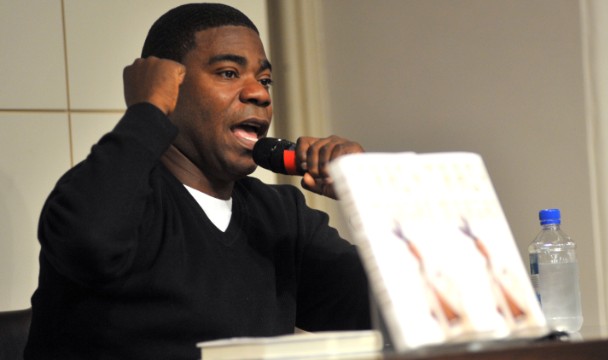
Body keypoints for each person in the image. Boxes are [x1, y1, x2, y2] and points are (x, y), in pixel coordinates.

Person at [24, 3, 370, 359]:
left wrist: (374, 197)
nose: (260, 94)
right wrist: (147, 112)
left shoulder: (281, 217)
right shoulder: (118, 197)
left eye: (265, 80)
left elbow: (401, 309)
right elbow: (89, 241)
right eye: (228, 73)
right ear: (168, 89)